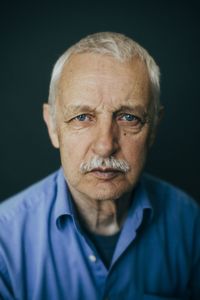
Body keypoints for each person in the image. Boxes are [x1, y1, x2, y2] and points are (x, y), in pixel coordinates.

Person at [0, 32, 199, 300]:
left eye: (129, 117)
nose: (105, 145)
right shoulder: (5, 241)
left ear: (154, 127)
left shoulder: (190, 223)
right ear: (52, 125)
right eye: (82, 117)